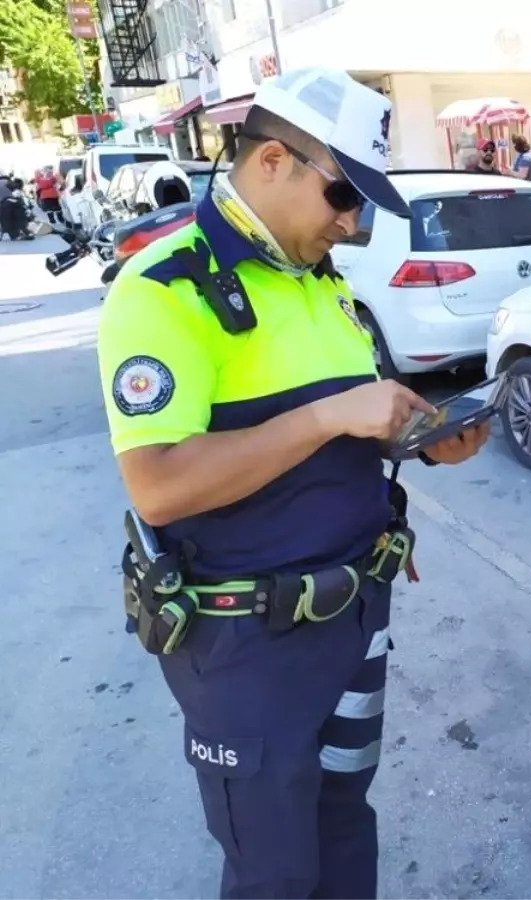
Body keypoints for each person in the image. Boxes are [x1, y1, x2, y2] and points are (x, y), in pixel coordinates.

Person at [96, 67, 489, 900]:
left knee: (346, 816)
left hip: (358, 620)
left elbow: (357, 432)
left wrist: (425, 442)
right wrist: (328, 417)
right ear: (273, 159)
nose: (352, 224)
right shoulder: (165, 288)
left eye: (365, 206)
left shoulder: (323, 285)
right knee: (274, 870)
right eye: (344, 195)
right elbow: (158, 487)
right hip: (248, 650)